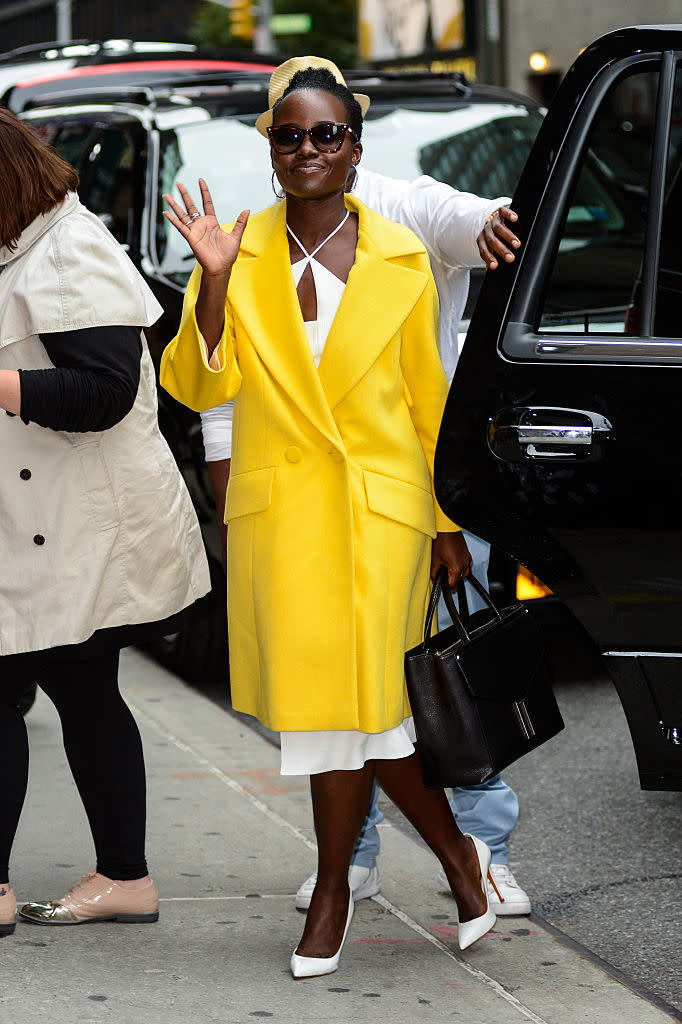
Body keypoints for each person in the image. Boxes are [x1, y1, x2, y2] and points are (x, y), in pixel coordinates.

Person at [160, 57, 499, 977]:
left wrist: (444, 522)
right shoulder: (236, 250)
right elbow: (194, 385)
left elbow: (426, 405)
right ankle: (459, 865)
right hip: (288, 516)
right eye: (289, 136)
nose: (308, 149)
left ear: (355, 148)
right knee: (343, 718)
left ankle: (337, 894)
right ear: (269, 151)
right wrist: (218, 283)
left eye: (327, 134)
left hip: (384, 513)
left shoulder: (400, 255)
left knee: (359, 714)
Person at [0, 108, 211, 935]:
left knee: (13, 692)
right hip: (47, 522)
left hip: (77, 529)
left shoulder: (68, 250)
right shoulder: (26, 243)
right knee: (86, 693)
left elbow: (104, 391)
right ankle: (125, 876)